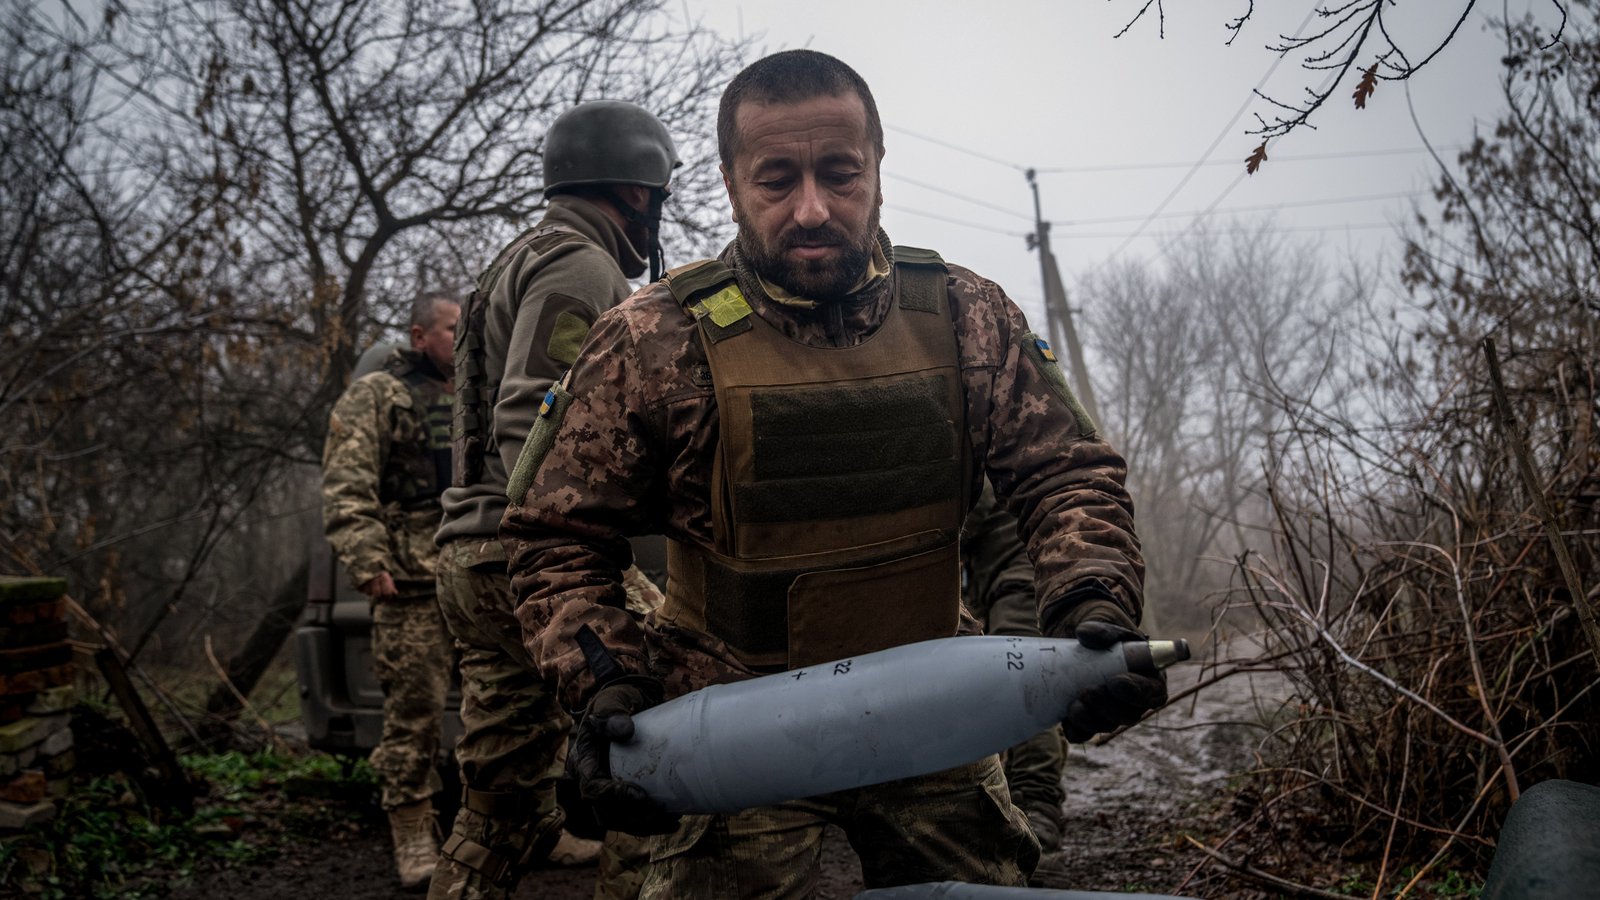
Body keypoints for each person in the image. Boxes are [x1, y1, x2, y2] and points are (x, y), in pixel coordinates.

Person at [500, 49, 1167, 897]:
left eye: (839, 174)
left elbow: (1063, 475)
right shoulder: (651, 341)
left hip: (936, 705)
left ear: (878, 168)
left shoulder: (967, 316)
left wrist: (1092, 602)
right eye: (776, 180)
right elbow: (555, 535)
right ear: (732, 182)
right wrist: (607, 682)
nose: (811, 208)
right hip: (731, 718)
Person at [430, 99, 678, 900]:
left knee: (499, 805)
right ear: (639, 191)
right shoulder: (580, 264)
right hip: (526, 559)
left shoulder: (516, 256)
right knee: (658, 757)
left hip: (469, 559)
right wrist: (574, 548)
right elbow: (532, 408)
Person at [322, 291, 461, 891]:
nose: (462, 337)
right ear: (419, 335)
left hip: (479, 569)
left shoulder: (479, 393)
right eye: (452, 328)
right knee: (414, 713)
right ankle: (411, 828)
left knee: (508, 704)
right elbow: (347, 484)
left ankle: (527, 819)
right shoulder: (378, 394)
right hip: (409, 577)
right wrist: (366, 557)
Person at [962, 481, 1068, 854]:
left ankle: (1039, 806)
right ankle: (1012, 801)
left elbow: (965, 510)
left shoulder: (978, 435)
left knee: (1022, 682)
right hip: (990, 577)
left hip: (1021, 573)